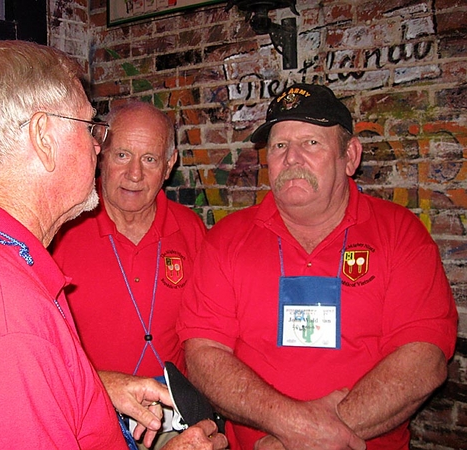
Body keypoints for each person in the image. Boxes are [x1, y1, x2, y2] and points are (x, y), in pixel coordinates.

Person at [0, 40, 227, 450]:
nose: (98, 145)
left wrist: (94, 387)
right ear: (43, 136)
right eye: (89, 127)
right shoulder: (3, 322)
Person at [177, 83, 458, 450]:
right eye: (279, 145)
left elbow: (424, 358)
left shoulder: (400, 233)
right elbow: (203, 354)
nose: (291, 157)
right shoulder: (226, 239)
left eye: (310, 142)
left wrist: (295, 441)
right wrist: (290, 423)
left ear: (350, 156)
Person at [52, 101, 207, 448]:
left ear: (169, 166)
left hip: (173, 421)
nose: (134, 174)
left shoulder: (192, 230)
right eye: (122, 155)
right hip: (88, 418)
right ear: (100, 154)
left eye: (149, 159)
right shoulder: (59, 229)